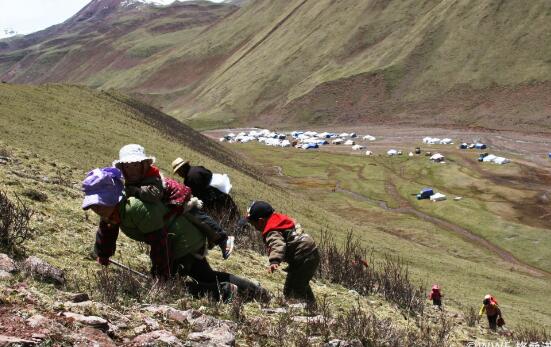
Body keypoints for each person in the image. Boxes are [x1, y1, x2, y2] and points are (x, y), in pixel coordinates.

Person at [83, 167, 267, 302]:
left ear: (112, 197)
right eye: (93, 206)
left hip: (183, 239)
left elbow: (159, 242)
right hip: (176, 239)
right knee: (198, 276)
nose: (96, 210)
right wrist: (103, 254)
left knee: (179, 282)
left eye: (99, 204)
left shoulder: (135, 207)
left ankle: (228, 292)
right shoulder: (112, 211)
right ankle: (250, 291)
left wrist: (161, 275)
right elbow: (107, 230)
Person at [113, 144, 232, 259]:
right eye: (127, 166)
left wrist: (136, 191)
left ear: (143, 165)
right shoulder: (131, 181)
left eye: (135, 165)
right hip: (168, 203)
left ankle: (223, 239)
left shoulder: (152, 177)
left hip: (176, 196)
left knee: (194, 215)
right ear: (122, 168)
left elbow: (153, 195)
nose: (131, 170)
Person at [239, 201, 319, 307]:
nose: (253, 227)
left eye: (253, 224)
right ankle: (311, 304)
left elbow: (277, 244)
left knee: (295, 287)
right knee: (296, 284)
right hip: (310, 252)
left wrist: (274, 260)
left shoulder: (271, 230)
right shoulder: (278, 219)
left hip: (303, 256)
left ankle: (303, 308)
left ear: (261, 221)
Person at [172, 158, 239, 226]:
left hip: (216, 202)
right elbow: (209, 174)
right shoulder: (197, 168)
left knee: (229, 222)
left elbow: (199, 195)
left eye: (178, 172)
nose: (179, 175)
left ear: (182, 169)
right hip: (221, 195)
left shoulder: (190, 178)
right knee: (235, 217)